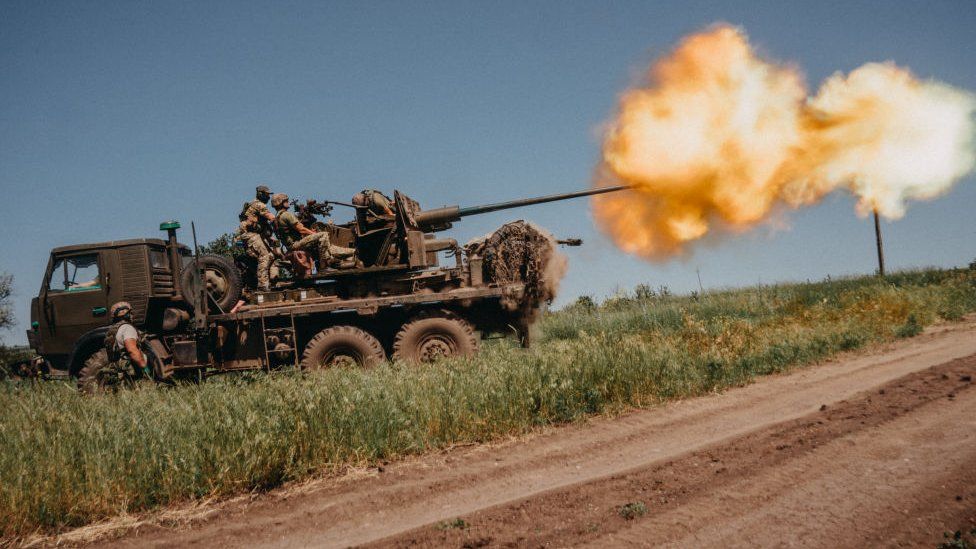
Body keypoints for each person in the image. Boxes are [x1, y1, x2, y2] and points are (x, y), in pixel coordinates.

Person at [271, 193, 357, 271]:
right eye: (286, 200)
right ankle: (326, 265)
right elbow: (301, 229)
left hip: (290, 245)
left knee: (334, 249)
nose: (288, 202)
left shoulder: (277, 218)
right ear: (281, 202)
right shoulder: (286, 215)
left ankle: (350, 254)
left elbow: (297, 231)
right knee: (323, 235)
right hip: (295, 244)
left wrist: (310, 232)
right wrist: (314, 234)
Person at [235, 184, 278, 291]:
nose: (269, 197)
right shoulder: (259, 205)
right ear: (261, 194)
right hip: (250, 235)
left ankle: (269, 280)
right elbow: (272, 218)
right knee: (264, 256)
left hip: (255, 234)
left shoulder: (254, 204)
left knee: (272, 255)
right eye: (267, 195)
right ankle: (263, 285)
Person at [103, 301, 149, 378]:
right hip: (129, 370)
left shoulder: (113, 330)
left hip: (116, 369)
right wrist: (144, 367)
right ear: (125, 315)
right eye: (130, 313)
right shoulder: (127, 328)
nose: (132, 315)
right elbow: (132, 350)